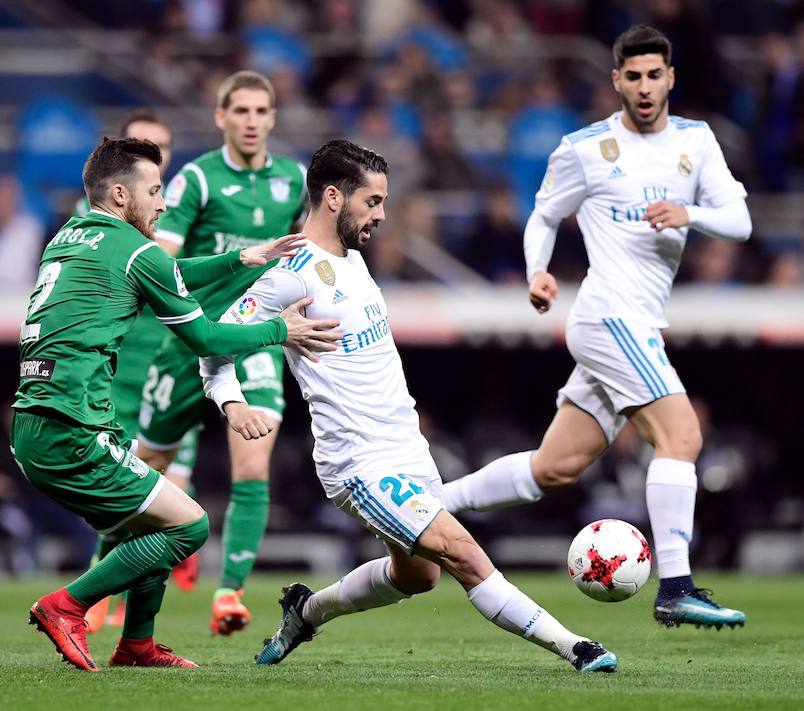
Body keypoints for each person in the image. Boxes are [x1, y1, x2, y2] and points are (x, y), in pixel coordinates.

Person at [201, 139, 617, 673]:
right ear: (333, 197)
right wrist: (235, 405)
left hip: (405, 449)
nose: (380, 215)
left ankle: (306, 612)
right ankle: (576, 648)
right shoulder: (290, 272)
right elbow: (214, 345)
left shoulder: (349, 259)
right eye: (371, 202)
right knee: (464, 552)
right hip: (359, 463)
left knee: (419, 577)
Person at [441, 25, 750, 630]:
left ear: (670, 79)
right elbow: (544, 214)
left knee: (552, 469)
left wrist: (690, 212)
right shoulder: (586, 147)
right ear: (616, 80)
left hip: (639, 324)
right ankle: (677, 587)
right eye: (631, 76)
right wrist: (537, 271)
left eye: (653, 75)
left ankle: (427, 506)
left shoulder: (697, 140)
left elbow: (738, 220)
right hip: (609, 317)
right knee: (681, 437)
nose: (642, 86)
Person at [12, 136, 340, 672]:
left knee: (154, 520)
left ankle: (136, 644)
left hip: (34, 424)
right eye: (155, 190)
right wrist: (282, 328)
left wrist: (240, 258)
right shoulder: (136, 250)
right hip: (70, 426)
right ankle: (66, 605)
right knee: (189, 526)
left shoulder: (69, 238)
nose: (163, 203)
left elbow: (166, 273)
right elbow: (208, 340)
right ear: (121, 195)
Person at [134, 70, 309, 636]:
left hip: (254, 338)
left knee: (253, 462)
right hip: (189, 339)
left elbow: (313, 255)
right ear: (221, 117)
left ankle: (228, 593)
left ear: (273, 117)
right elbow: (163, 266)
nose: (252, 121)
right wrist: (240, 260)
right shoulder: (196, 181)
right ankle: (101, 578)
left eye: (262, 111)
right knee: (147, 467)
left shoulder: (294, 181)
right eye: (241, 112)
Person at [73, 109, 200, 631]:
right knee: (143, 496)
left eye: (164, 146)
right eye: (147, 144)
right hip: (116, 371)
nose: (158, 153)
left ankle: (128, 619)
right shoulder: (108, 221)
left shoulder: (177, 214)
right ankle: (97, 586)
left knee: (159, 494)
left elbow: (186, 286)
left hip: (165, 362)